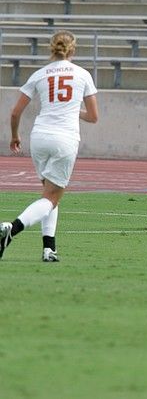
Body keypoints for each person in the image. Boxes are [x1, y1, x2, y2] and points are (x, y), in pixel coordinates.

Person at [0, 30, 99, 262]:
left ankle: (48, 249)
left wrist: (15, 136)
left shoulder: (40, 74)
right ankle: (10, 229)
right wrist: (74, 109)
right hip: (64, 138)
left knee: (48, 195)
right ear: (73, 49)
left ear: (51, 48)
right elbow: (94, 116)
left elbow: (15, 113)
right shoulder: (82, 74)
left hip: (40, 137)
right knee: (52, 198)